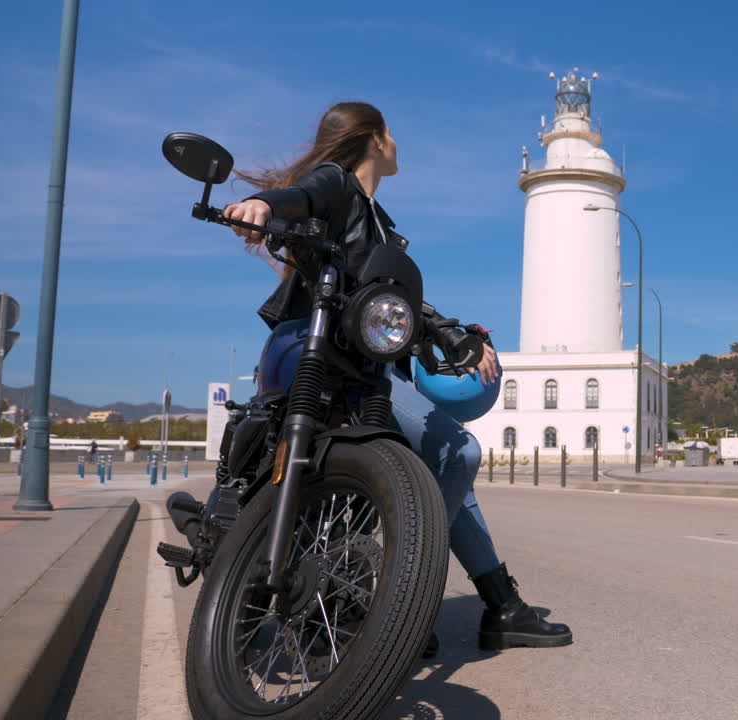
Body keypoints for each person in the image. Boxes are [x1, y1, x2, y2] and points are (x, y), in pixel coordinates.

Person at [222, 101, 571, 656]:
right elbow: (305, 195)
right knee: (456, 454)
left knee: (440, 472)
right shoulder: (337, 185)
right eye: (392, 135)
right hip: (332, 361)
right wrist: (264, 203)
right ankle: (393, 600)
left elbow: (399, 299)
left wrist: (457, 336)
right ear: (374, 140)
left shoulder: (379, 221)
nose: (398, 144)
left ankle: (501, 605)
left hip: (364, 365)